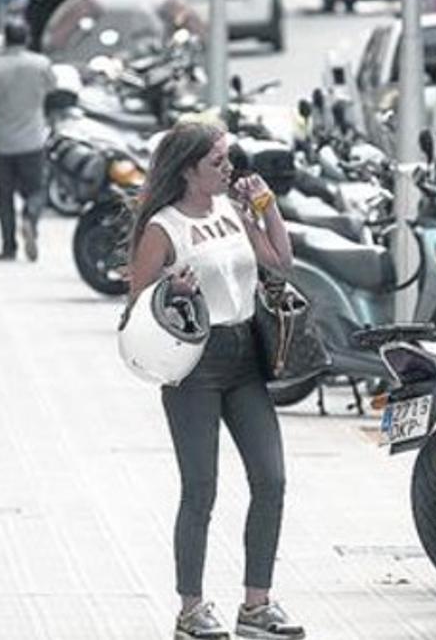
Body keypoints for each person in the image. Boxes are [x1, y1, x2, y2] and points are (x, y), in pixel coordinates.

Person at [126, 122, 304, 640]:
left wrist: (265, 206)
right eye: (218, 163)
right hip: (194, 366)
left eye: (229, 159)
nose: (230, 170)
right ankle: (191, 610)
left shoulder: (231, 210)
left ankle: (256, 605)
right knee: (200, 489)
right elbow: (137, 303)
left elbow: (280, 262)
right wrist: (172, 289)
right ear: (187, 170)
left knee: (271, 479)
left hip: (245, 355)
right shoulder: (164, 226)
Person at [0, 19, 55, 261]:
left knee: (4, 197)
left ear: (5, 39)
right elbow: (53, 91)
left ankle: (8, 247)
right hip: (32, 141)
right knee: (37, 190)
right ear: (27, 39)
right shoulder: (41, 65)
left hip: (1, 144)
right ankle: (29, 216)